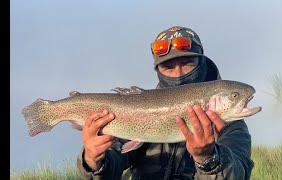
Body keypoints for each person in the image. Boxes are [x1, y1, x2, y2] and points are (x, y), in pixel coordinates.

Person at [77, 26, 254, 180]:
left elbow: (239, 173)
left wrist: (207, 158)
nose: (178, 74)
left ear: (201, 63)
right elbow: (111, 168)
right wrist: (92, 160)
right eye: (168, 67)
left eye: (186, 63)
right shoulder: (139, 109)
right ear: (158, 71)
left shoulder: (231, 126)